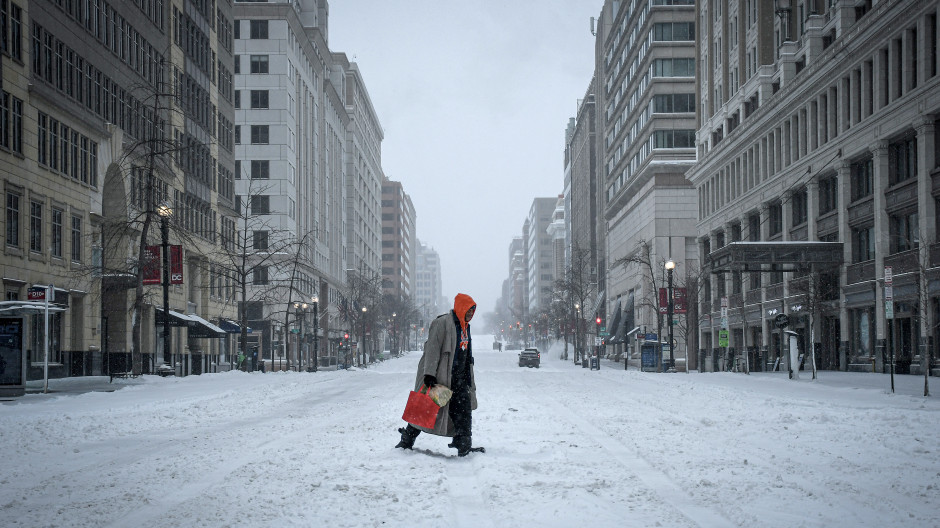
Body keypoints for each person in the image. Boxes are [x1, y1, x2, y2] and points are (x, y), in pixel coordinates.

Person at [396, 293, 484, 456]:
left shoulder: (466, 327)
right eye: (469, 310)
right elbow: (432, 348)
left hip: (459, 378)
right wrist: (429, 374)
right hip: (441, 375)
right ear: (461, 307)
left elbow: (466, 353)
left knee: (464, 410)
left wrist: (468, 378)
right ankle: (407, 439)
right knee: (426, 407)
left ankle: (464, 444)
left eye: (473, 311)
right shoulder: (442, 323)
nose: (471, 314)